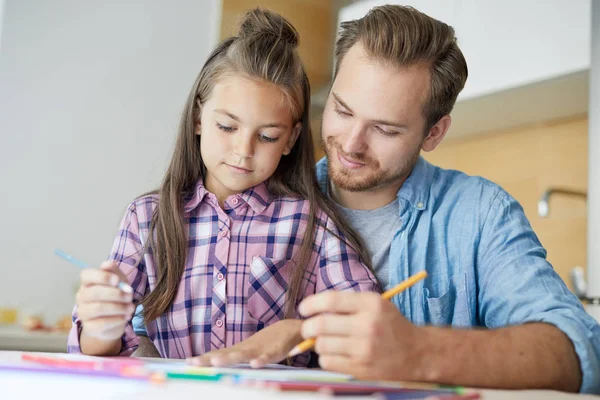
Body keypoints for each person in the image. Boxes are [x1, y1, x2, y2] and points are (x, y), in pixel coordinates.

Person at [134, 5, 600, 393]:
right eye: (342, 109)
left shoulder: (478, 215)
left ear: (433, 132)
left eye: (385, 128)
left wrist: (417, 352)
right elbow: (142, 331)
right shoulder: (256, 198)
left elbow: (580, 353)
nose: (351, 143)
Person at [67, 8, 379, 367]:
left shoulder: (311, 222)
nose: (243, 151)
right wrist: (101, 327)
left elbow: (366, 318)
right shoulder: (147, 218)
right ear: (199, 118)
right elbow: (94, 350)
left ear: (291, 138)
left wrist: (299, 329)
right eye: (227, 127)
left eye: (266, 136)